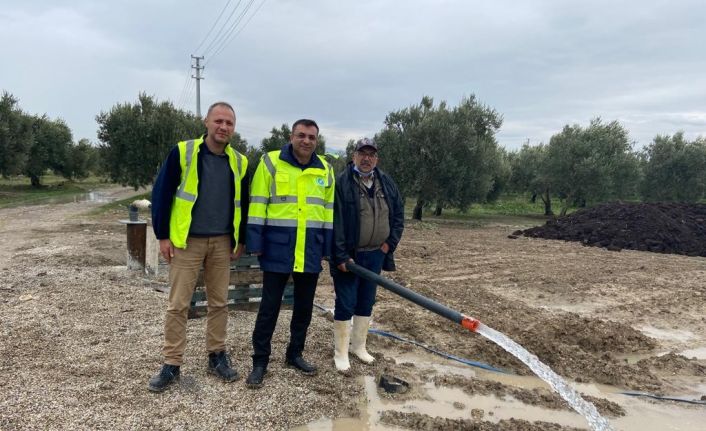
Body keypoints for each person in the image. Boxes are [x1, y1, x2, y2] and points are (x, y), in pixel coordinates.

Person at [147, 101, 249, 392]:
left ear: (233, 128)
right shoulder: (184, 152)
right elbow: (162, 193)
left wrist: (240, 239)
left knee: (219, 303)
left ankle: (217, 356)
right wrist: (163, 235)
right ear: (206, 122)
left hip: (221, 242)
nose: (223, 127)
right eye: (218, 121)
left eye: (229, 123)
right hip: (187, 242)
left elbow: (243, 203)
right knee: (178, 304)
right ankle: (171, 364)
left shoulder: (240, 162)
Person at [244, 119, 335, 388]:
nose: (306, 141)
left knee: (304, 309)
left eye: (312, 137)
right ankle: (259, 361)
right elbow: (258, 204)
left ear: (317, 140)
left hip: (309, 250)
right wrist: (255, 242)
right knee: (269, 309)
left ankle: (294, 354)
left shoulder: (325, 169)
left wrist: (326, 248)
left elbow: (328, 213)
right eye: (301, 135)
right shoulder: (271, 162)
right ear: (291, 136)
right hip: (277, 249)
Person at [330, 138, 404, 372]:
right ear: (354, 156)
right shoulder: (342, 182)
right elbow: (336, 221)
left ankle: (358, 347)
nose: (366, 158)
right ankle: (340, 352)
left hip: (376, 255)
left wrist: (388, 246)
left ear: (376, 159)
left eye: (371, 154)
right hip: (350, 257)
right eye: (362, 153)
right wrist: (340, 256)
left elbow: (399, 215)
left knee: (366, 301)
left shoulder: (386, 182)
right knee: (346, 301)